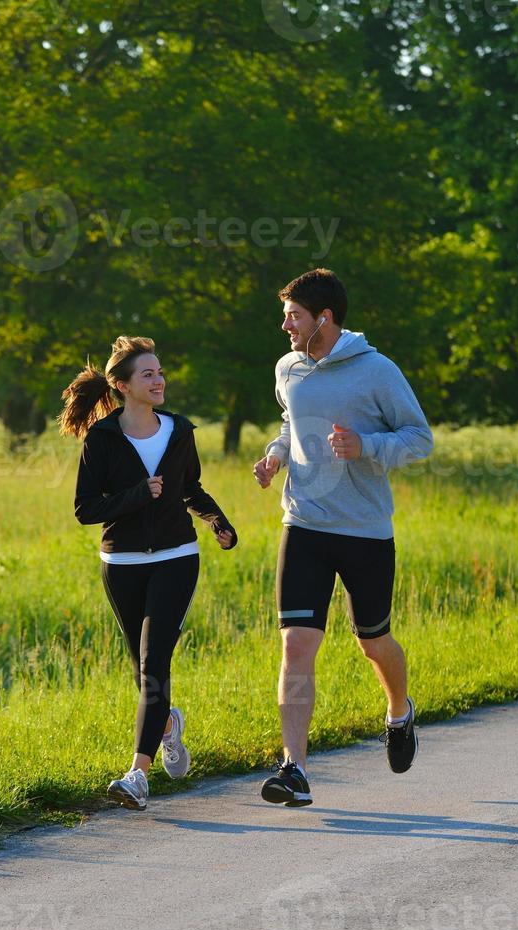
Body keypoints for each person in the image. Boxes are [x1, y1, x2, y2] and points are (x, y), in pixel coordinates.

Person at [252, 269, 433, 807]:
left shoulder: (376, 371)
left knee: (372, 642)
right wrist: (276, 455)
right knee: (296, 643)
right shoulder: (288, 367)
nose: (285, 325)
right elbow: (291, 423)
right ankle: (295, 769)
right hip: (304, 522)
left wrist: (367, 446)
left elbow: (419, 439)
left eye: (294, 316)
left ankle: (399, 710)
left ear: (322, 319)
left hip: (364, 530)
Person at [61, 336, 238, 811]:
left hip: (178, 557)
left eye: (160, 373)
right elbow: (85, 508)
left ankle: (138, 775)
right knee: (143, 672)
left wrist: (218, 521)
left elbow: (191, 488)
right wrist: (139, 494)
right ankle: (166, 726)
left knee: (154, 662)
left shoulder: (179, 430)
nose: (159, 381)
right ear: (121, 385)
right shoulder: (101, 439)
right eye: (148, 374)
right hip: (121, 564)